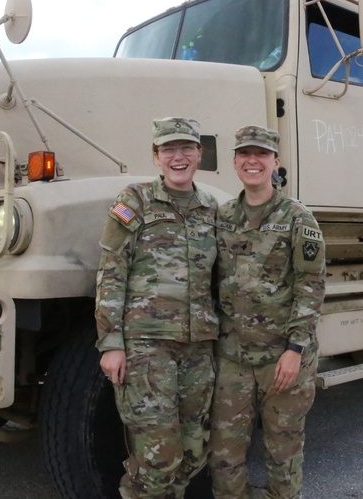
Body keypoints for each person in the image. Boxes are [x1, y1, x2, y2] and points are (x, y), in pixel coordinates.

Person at [95, 117, 219, 499]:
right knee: (158, 453)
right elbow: (112, 270)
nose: (178, 157)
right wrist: (111, 342)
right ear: (156, 156)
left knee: (193, 449)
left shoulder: (211, 207)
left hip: (198, 346)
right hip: (147, 348)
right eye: (169, 149)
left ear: (199, 154)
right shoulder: (135, 200)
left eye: (186, 148)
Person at [210, 125, 327, 499]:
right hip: (234, 359)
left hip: (282, 358)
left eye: (260, 154)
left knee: (283, 454)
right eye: (245, 154)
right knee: (224, 457)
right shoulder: (223, 216)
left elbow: (311, 287)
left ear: (275, 162)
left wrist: (295, 350)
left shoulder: (297, 218)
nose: (252, 161)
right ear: (234, 162)